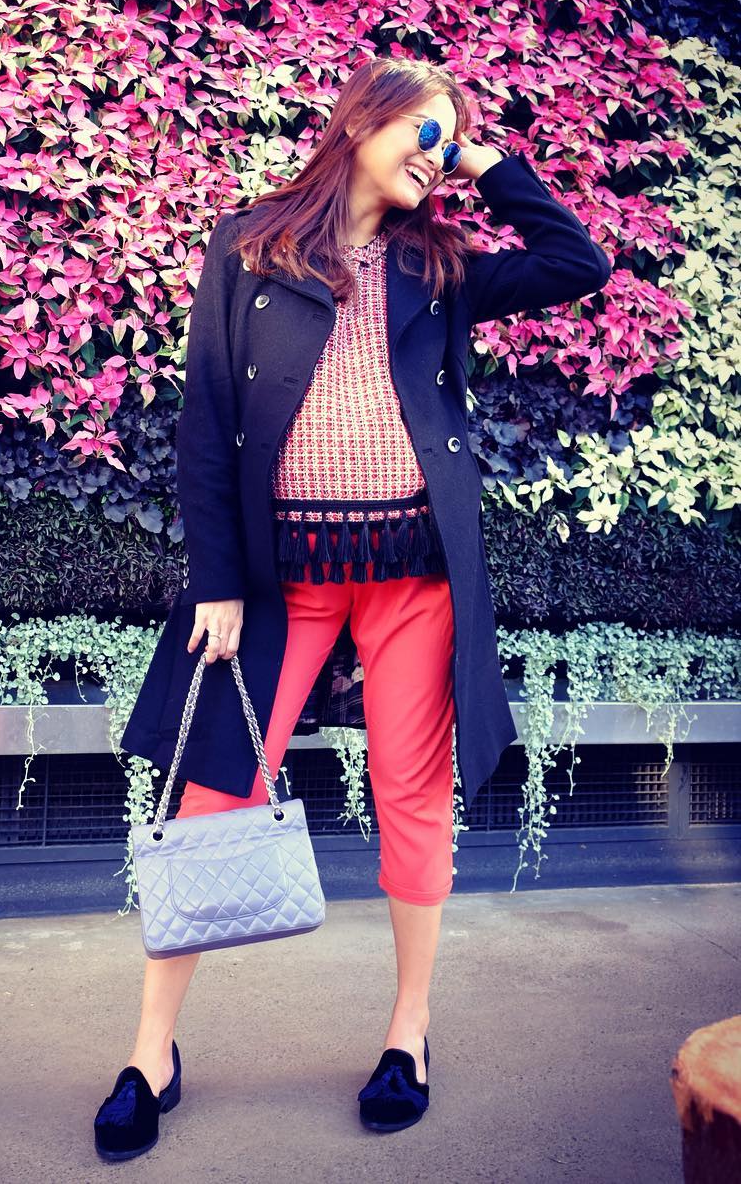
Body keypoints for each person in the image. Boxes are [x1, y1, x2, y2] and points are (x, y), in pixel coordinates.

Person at [94, 56, 612, 1161]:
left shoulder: (441, 266)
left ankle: (407, 1036)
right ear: (360, 125)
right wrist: (217, 582)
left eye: (448, 138)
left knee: (412, 794)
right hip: (280, 581)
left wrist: (485, 161)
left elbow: (579, 262)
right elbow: (207, 421)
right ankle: (150, 1054)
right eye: (423, 130)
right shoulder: (253, 245)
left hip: (415, 570)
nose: (437, 152)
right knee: (214, 789)